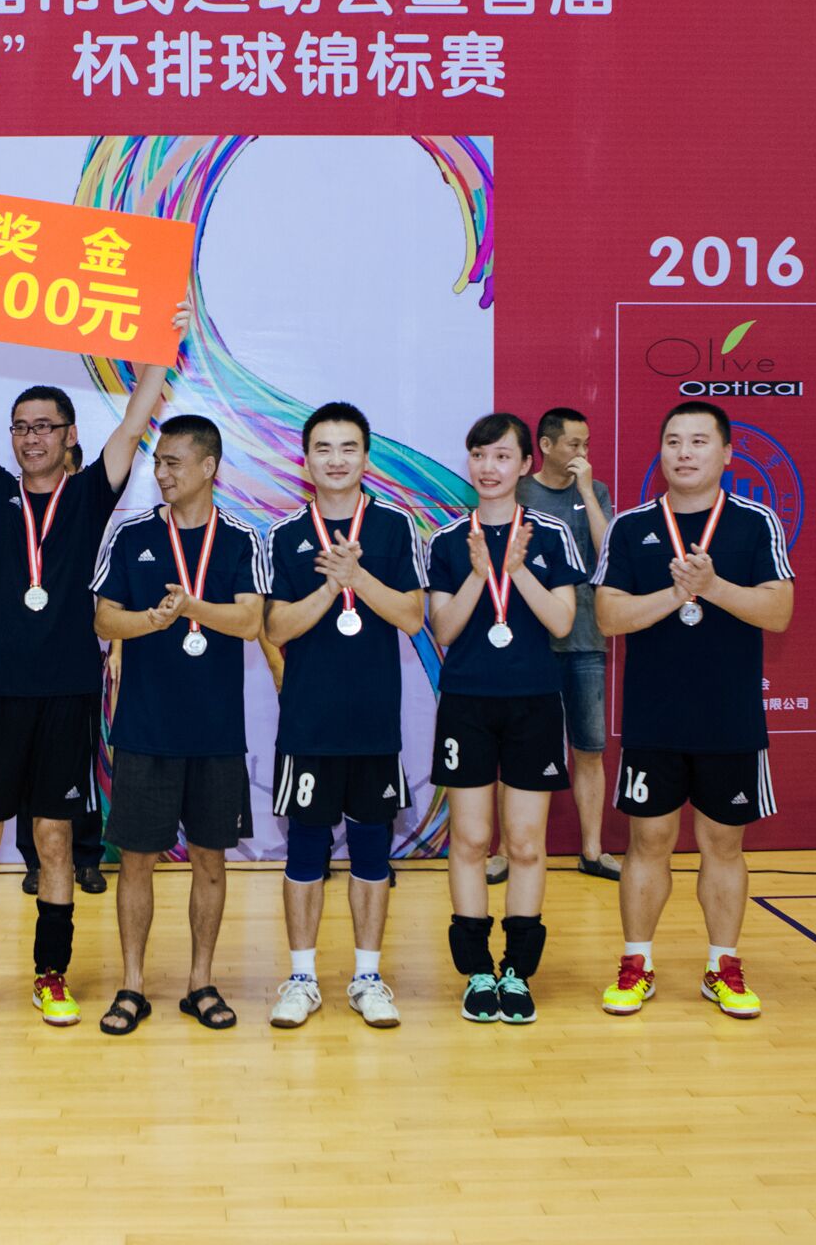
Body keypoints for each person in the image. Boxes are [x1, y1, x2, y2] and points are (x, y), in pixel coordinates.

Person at [0, 292, 185, 1028]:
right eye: (21, 427)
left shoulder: (90, 495)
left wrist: (161, 352)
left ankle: (50, 975)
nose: (31, 438)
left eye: (44, 427)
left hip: (67, 693)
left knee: (55, 839)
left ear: (68, 436)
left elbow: (133, 424)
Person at [592, 400, 795, 1021]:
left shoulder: (755, 523)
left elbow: (779, 611)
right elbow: (608, 616)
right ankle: (637, 964)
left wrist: (713, 588)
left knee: (723, 846)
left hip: (729, 718)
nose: (684, 452)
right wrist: (675, 593)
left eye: (699, 441)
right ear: (660, 452)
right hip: (654, 717)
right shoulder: (631, 527)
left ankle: (722, 966)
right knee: (647, 841)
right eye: (674, 440)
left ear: (727, 454)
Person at [91, 415, 266, 1034]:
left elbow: (250, 622)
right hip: (145, 729)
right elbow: (104, 620)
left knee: (210, 861)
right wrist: (153, 621)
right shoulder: (132, 534)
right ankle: (132, 985)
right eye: (158, 462)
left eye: (173, 462)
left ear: (208, 467)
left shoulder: (242, 539)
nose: (161, 472)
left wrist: (192, 608)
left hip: (216, 733)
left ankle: (201, 982)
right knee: (136, 862)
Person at [260, 401, 428, 1029]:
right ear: (306, 460)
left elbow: (412, 616)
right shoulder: (284, 534)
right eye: (324, 448)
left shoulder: (394, 526)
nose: (336, 459)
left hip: (374, 724)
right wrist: (332, 586)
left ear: (366, 457)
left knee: (371, 853)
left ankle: (368, 977)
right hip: (309, 723)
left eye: (348, 447)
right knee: (305, 852)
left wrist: (358, 576)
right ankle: (302, 978)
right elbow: (276, 628)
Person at [428, 414, 585, 1023]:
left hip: (533, 702)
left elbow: (563, 622)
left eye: (500, 456)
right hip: (466, 702)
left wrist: (516, 569)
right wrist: (479, 573)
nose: (488, 468)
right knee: (470, 840)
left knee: (523, 842)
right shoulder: (448, 539)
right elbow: (443, 629)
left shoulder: (551, 535)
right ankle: (475, 972)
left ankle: (517, 972)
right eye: (478, 455)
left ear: (524, 465)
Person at [518, 406, 621, 880]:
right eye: (574, 444)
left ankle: (592, 849)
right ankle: (513, 849)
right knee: (520, 750)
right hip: (529, 640)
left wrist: (585, 491)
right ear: (545, 445)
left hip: (585, 639)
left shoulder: (595, 492)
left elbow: (610, 555)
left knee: (589, 747)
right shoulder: (520, 491)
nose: (583, 452)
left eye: (586, 444)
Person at [16, 440, 108, 897]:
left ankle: (86, 858)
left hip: (75, 667)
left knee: (79, 774)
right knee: (26, 772)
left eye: (68, 474)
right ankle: (34, 860)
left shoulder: (89, 512)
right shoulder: (18, 514)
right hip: (23, 672)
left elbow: (114, 593)